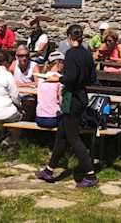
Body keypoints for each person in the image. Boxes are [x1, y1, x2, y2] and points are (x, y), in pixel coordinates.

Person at [35, 24, 99, 188]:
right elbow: (92, 78)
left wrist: (57, 79)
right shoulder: (86, 54)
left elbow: (69, 77)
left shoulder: (71, 54)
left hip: (72, 98)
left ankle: (90, 174)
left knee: (73, 137)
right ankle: (49, 170)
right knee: (62, 135)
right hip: (82, 95)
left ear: (70, 37)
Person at [35, 51, 64, 129]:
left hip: (39, 118)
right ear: (58, 63)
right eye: (63, 62)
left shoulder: (41, 78)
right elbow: (62, 101)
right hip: (53, 119)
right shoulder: (60, 80)